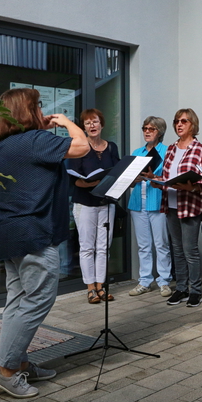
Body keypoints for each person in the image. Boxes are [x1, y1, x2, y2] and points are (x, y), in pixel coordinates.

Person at [0, 87, 89, 398]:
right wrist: (66, 122)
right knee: (37, 301)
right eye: (39, 106)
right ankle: (7, 372)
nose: (44, 111)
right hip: (34, 234)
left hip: (10, 232)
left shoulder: (3, 145)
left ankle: (18, 363)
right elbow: (82, 146)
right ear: (28, 111)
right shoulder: (35, 141)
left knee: (17, 302)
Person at [158, 108, 202, 308]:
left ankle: (195, 291)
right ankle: (181, 288)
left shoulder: (200, 150)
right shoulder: (171, 148)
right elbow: (167, 177)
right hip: (171, 204)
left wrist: (191, 187)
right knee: (177, 250)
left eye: (184, 121)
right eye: (176, 121)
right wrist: (157, 180)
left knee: (190, 251)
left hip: (189, 205)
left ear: (193, 125)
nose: (179, 124)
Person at [67, 108, 120, 305]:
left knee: (103, 247)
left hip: (106, 203)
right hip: (85, 203)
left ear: (102, 124)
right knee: (87, 247)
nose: (92, 125)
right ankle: (90, 288)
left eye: (95, 121)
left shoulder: (111, 147)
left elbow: (118, 172)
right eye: (88, 123)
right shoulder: (79, 148)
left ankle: (101, 286)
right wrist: (95, 183)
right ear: (84, 127)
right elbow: (75, 180)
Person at [127, 116, 173, 298]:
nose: (147, 132)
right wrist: (134, 178)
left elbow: (169, 178)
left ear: (160, 132)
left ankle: (164, 281)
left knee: (161, 243)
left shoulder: (167, 151)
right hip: (138, 203)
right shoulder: (137, 152)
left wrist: (153, 176)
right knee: (143, 245)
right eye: (145, 128)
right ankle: (145, 281)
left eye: (151, 129)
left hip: (157, 201)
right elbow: (129, 182)